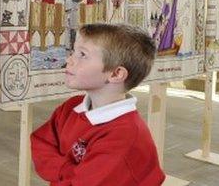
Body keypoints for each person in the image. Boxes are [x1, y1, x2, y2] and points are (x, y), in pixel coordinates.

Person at [31, 23, 165, 185]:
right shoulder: (72, 106)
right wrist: (70, 171)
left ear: (116, 74)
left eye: (82, 55)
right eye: (74, 51)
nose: (69, 59)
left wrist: (60, 170)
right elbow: (40, 143)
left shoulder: (125, 136)